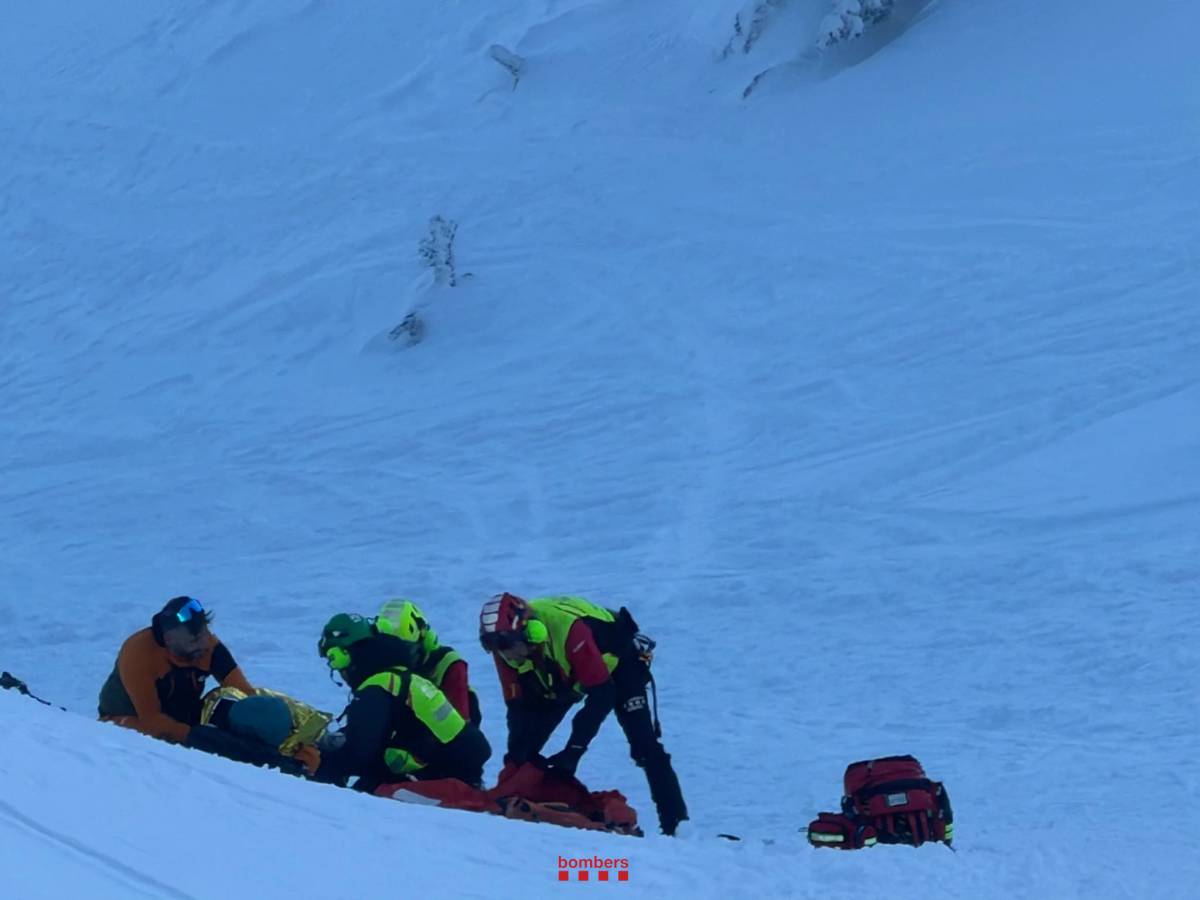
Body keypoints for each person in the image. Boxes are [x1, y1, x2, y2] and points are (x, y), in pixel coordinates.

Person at [479, 592, 689, 836]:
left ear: (530, 631)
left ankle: (677, 825)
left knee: (646, 747)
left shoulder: (569, 631)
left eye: (507, 646)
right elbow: (517, 709)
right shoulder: (503, 646)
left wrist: (573, 751)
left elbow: (603, 696)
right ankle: (536, 808)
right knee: (524, 752)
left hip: (618, 667)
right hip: (563, 672)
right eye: (494, 649)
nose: (506, 655)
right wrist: (515, 762)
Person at [312, 612, 491, 790]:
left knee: (372, 795)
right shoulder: (399, 678)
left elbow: (360, 753)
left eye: (334, 659)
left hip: (446, 777)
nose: (336, 671)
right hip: (453, 771)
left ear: (349, 653)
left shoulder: (378, 688)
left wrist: (317, 761)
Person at [98, 596, 254, 746]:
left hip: (181, 714)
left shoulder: (207, 646)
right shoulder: (139, 653)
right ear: (169, 639)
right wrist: (199, 738)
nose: (205, 644)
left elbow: (244, 691)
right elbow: (151, 720)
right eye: (194, 641)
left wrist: (256, 716)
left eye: (205, 634)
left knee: (235, 716)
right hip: (129, 719)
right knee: (161, 737)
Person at [375, 598, 481, 725]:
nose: (397, 657)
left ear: (422, 638)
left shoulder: (449, 665)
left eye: (405, 649)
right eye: (389, 650)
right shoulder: (381, 663)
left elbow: (460, 729)